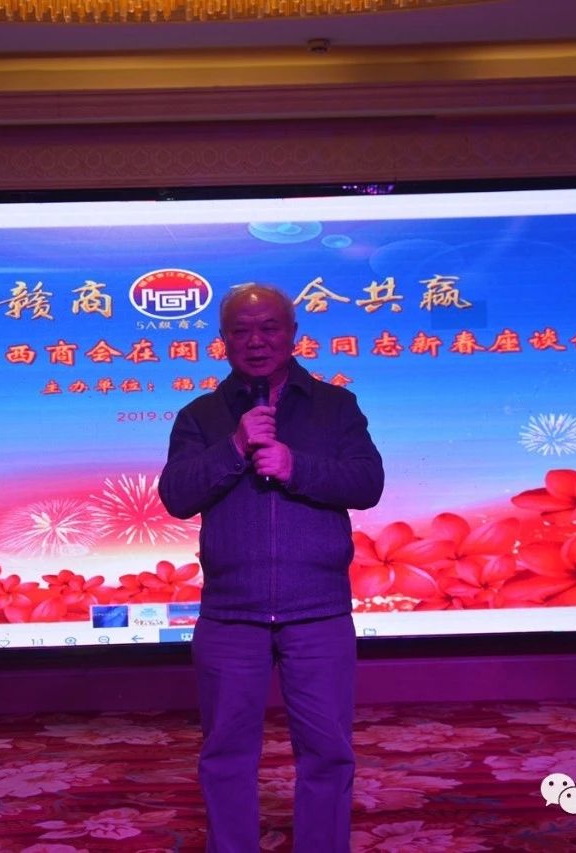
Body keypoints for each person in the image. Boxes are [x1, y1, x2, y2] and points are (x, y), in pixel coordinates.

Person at [159, 283, 384, 852]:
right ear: (223, 339)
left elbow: (367, 483)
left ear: (293, 334)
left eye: (269, 328)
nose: (256, 341)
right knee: (226, 753)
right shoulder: (201, 415)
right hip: (231, 614)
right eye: (241, 331)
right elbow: (177, 496)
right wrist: (234, 447)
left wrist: (295, 466)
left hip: (318, 611)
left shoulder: (336, 407)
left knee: (328, 752)